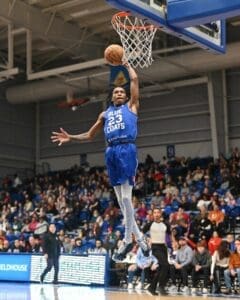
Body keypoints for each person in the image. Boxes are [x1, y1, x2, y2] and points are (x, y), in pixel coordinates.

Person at [51, 62, 149, 261]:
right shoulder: (105, 114)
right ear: (112, 97)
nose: (120, 93)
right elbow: (89, 135)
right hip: (111, 152)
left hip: (126, 149)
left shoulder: (132, 106)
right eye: (117, 92)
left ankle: (128, 241)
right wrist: (71, 137)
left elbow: (135, 79)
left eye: (123, 91)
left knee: (126, 199)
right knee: (121, 201)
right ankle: (139, 238)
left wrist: (127, 64)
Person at [143, 207, 170, 295]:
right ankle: (161, 286)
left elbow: (170, 235)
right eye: (155, 212)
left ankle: (152, 288)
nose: (156, 214)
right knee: (165, 265)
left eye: (158, 212)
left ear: (160, 214)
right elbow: (140, 233)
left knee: (162, 268)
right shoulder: (149, 224)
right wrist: (147, 239)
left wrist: (173, 242)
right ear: (153, 214)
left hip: (163, 247)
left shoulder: (165, 224)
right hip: (155, 247)